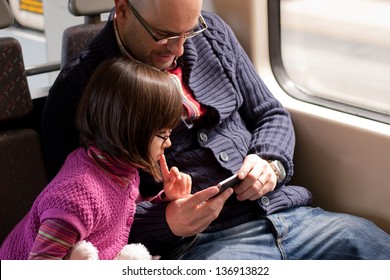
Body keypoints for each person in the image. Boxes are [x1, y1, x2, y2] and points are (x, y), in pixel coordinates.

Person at [41, 0, 390, 259]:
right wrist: (168, 222)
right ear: (122, 8)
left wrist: (270, 163)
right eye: (164, 36)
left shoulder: (213, 34)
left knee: (372, 243)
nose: (179, 49)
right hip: (202, 246)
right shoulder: (78, 90)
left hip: (286, 215)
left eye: (188, 31)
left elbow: (271, 115)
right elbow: (76, 210)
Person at [0, 58, 191, 260]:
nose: (168, 143)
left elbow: (125, 209)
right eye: (163, 134)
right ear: (130, 130)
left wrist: (164, 198)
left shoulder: (119, 169)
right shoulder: (76, 198)